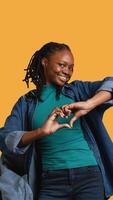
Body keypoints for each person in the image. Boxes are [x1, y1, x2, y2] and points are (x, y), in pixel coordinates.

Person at [0, 42, 113, 200]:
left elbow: (111, 83)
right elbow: (5, 139)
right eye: (62, 65)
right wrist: (40, 132)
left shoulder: (77, 91)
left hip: (89, 176)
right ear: (45, 62)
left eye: (71, 67)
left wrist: (89, 103)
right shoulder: (26, 103)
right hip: (51, 181)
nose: (67, 72)